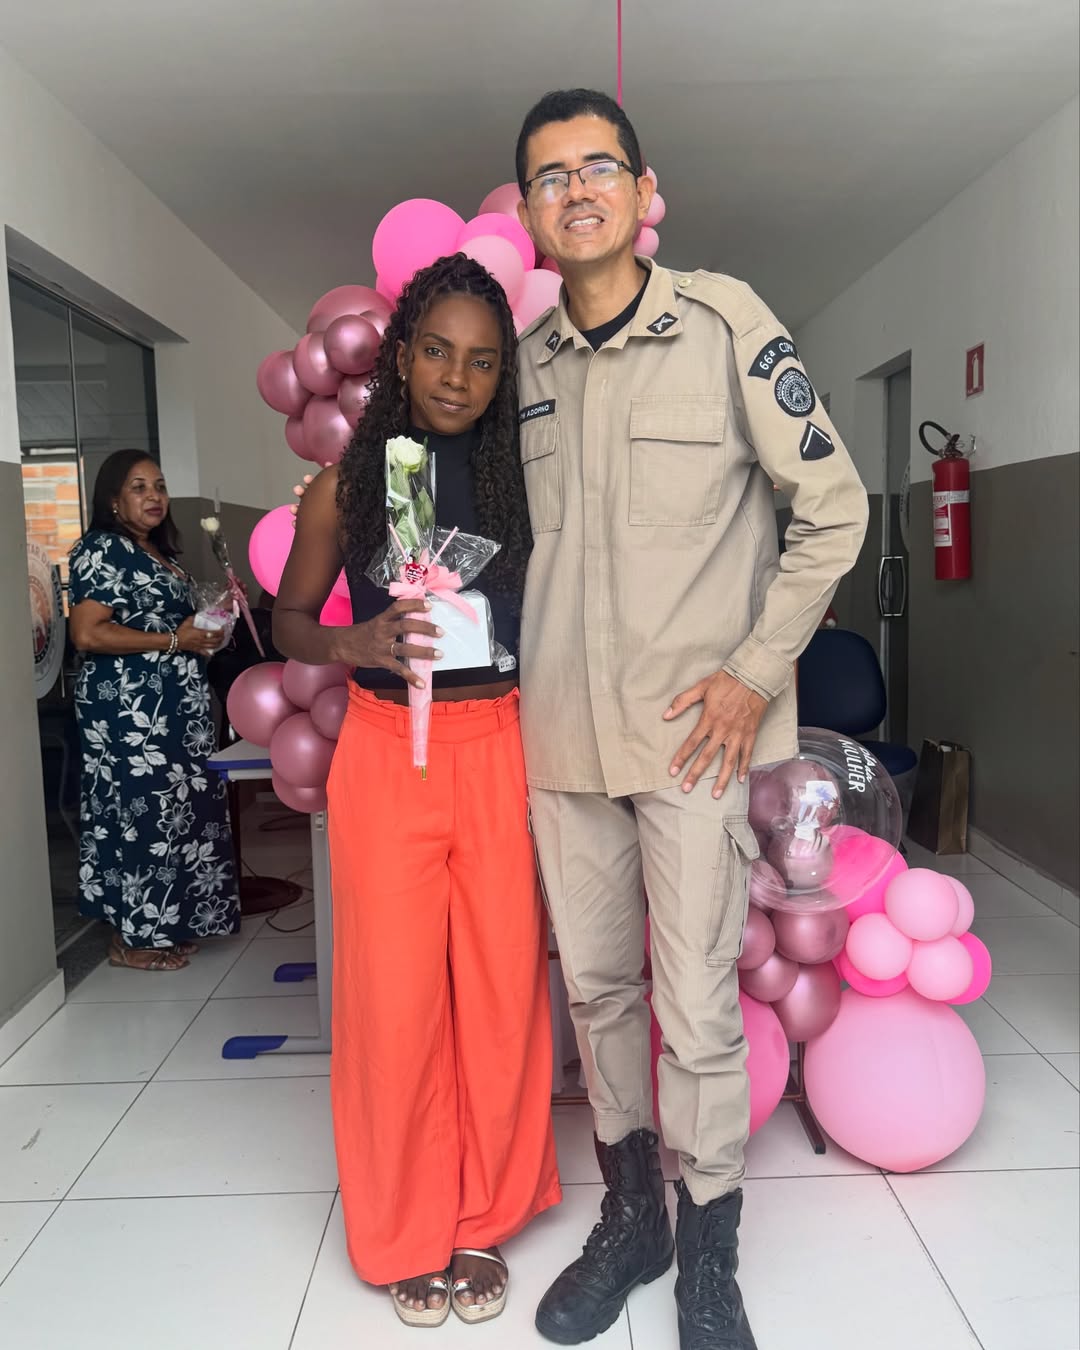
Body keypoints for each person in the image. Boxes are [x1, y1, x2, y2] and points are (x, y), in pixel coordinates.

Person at [512, 90, 870, 1349]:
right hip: (564, 739)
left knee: (701, 1006)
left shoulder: (725, 324)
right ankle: (634, 1222)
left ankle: (710, 1249)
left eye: (597, 165)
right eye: (551, 176)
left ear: (642, 187)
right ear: (531, 212)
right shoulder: (524, 367)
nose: (577, 190)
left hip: (694, 743)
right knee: (599, 994)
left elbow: (834, 508)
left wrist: (755, 672)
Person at [273, 254, 561, 1329]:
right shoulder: (347, 487)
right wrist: (353, 639)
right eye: (437, 351)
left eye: (482, 361)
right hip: (387, 748)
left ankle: (485, 1212)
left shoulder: (526, 486)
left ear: (501, 374)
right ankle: (401, 1224)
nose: (456, 377)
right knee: (391, 999)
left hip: (499, 744)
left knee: (499, 986)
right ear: (400, 356)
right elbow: (289, 620)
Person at [68, 449, 239, 971]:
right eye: (139, 487)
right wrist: (174, 640)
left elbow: (175, 630)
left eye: (159, 486)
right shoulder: (102, 549)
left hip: (174, 711)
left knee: (176, 814)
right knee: (140, 814)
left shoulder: (161, 554)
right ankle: (132, 939)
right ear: (113, 500)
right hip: (130, 713)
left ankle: (166, 925)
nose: (154, 496)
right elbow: (87, 633)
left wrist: (211, 625)